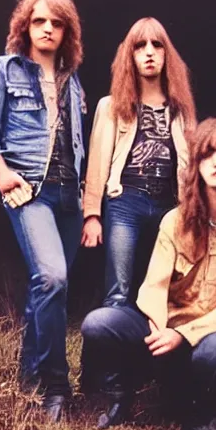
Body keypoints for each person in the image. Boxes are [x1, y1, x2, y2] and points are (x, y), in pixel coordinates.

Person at [80, 117, 216, 430]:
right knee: (99, 324)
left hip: (213, 330)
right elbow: (153, 287)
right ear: (196, 164)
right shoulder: (175, 220)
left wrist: (185, 335)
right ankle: (123, 395)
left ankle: (202, 416)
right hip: (167, 322)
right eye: (207, 154)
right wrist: (161, 330)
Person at [0, 0, 85, 421]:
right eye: (39, 20)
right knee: (52, 278)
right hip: (29, 192)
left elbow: (78, 146)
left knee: (45, 291)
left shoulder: (73, 84)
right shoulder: (3, 71)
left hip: (68, 198)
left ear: (66, 31)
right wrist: (0, 175)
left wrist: (87, 205)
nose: (48, 28)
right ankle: (57, 384)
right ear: (25, 26)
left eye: (57, 22)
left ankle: (27, 381)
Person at [81, 17, 195, 310]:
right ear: (129, 55)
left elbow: (193, 166)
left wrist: (192, 211)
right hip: (125, 201)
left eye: (157, 45)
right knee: (118, 290)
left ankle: (157, 351)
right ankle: (110, 350)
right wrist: (92, 214)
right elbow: (97, 161)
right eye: (139, 45)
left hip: (170, 204)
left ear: (166, 54)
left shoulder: (181, 111)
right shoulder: (111, 105)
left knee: (166, 289)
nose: (148, 52)